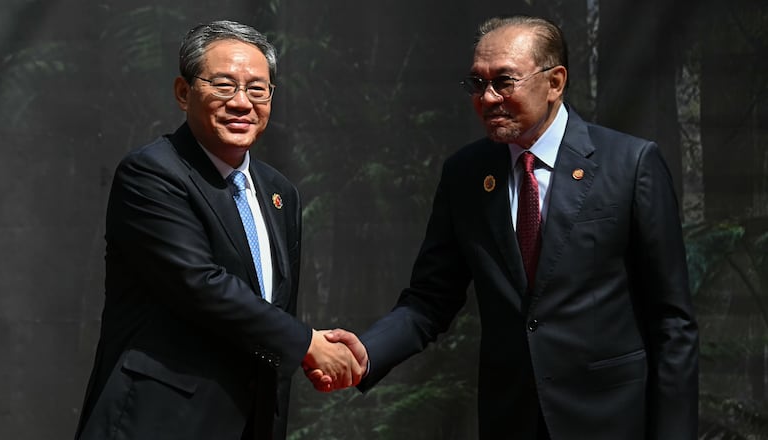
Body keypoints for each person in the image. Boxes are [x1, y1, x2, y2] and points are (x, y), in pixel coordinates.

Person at [313, 14, 699, 440]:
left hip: (610, 419)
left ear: (555, 82)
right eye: (477, 84)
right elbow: (429, 300)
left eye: (504, 81)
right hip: (510, 420)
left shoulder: (630, 164)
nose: (488, 98)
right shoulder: (466, 174)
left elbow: (672, 322)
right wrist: (367, 352)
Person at [74, 20, 363, 440]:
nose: (242, 102)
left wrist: (300, 358)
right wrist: (306, 343)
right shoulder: (152, 173)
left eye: (257, 89)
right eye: (224, 85)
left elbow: (273, 310)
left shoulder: (280, 193)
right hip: (159, 422)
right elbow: (200, 284)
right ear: (183, 92)